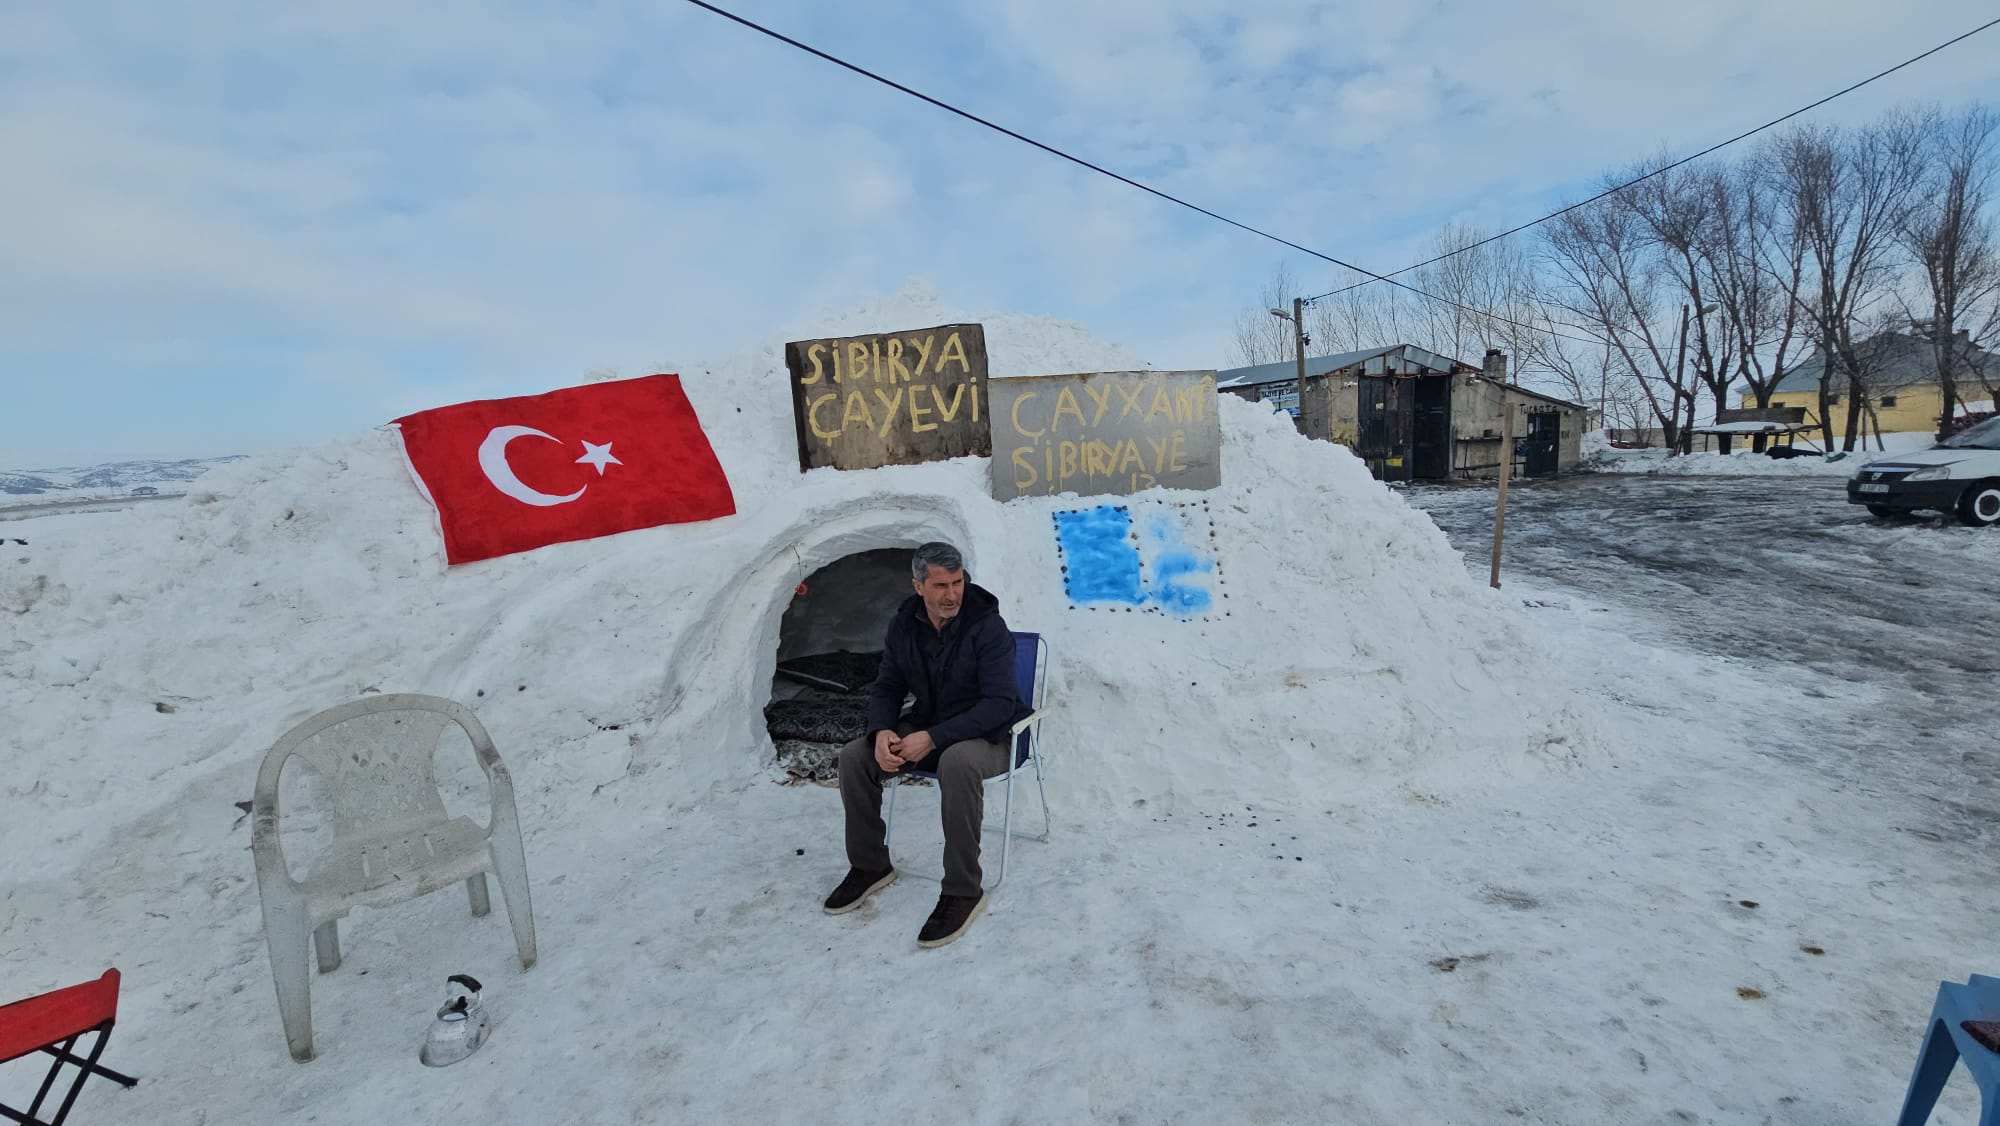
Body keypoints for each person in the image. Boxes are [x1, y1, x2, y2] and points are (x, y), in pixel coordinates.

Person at [823, 541, 1029, 947]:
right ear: (918, 586)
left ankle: (962, 890)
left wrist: (932, 737)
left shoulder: (987, 627)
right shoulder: (904, 626)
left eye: (957, 583)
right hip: (930, 729)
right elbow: (888, 686)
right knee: (855, 756)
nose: (952, 595)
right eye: (940, 585)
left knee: (957, 762)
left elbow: (999, 704)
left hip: (992, 735)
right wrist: (882, 730)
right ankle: (869, 865)